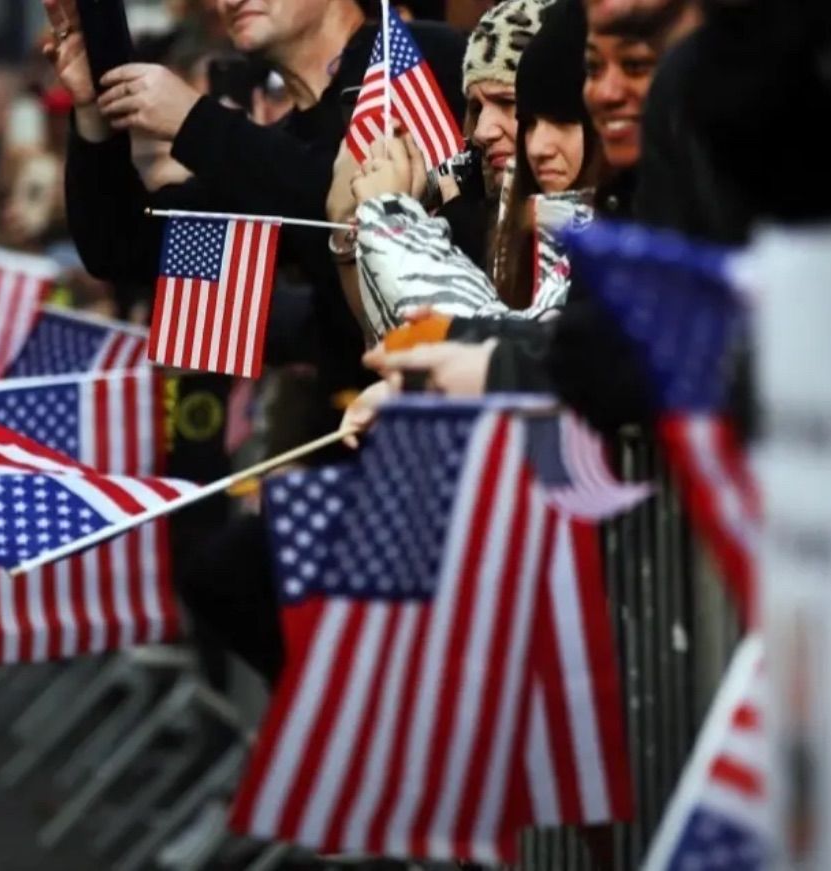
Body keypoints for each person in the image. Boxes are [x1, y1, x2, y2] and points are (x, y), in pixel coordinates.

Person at [41, 0, 466, 684]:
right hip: (376, 455)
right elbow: (124, 246)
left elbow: (359, 207)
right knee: (227, 575)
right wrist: (93, 113)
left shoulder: (417, 62)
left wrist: (198, 125)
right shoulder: (285, 136)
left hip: (457, 456)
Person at [345, 0, 598, 342]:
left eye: (509, 104)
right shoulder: (474, 210)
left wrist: (395, 220)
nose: (481, 130)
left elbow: (514, 355)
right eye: (476, 107)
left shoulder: (627, 227)